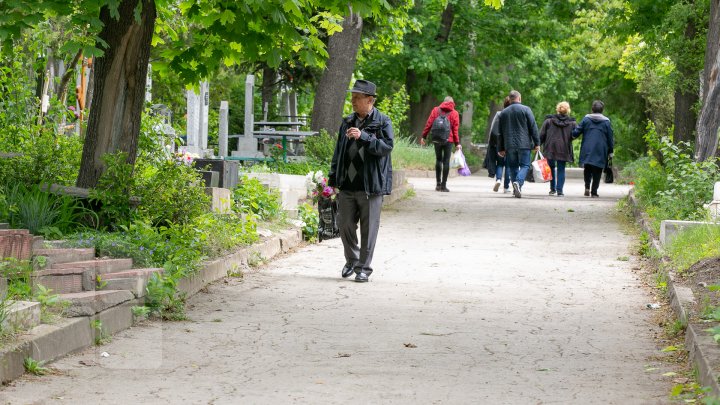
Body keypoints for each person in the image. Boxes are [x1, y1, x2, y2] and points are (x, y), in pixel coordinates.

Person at [328, 79, 394, 283]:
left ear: (370, 100)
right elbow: (338, 152)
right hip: (347, 184)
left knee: (369, 229)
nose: (353, 101)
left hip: (370, 186)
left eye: (357, 98)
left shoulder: (383, 122)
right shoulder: (347, 121)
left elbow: (386, 148)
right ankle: (352, 260)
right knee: (345, 224)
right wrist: (332, 179)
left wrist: (364, 137)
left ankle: (364, 268)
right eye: (353, 97)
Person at [497, 90, 540, 198]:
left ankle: (516, 188)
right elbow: (533, 127)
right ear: (519, 98)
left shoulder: (504, 113)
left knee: (512, 167)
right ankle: (518, 183)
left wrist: (501, 148)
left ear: (510, 99)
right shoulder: (526, 109)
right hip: (524, 144)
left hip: (509, 144)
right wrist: (537, 143)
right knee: (525, 165)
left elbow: (500, 132)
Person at [572, 100, 614, 198]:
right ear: (602, 110)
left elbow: (577, 131)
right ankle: (594, 192)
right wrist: (611, 150)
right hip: (601, 149)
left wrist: (572, 134)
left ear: (592, 109)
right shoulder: (606, 122)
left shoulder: (586, 119)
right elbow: (610, 137)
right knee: (598, 170)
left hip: (587, 148)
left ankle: (587, 187)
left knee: (588, 168)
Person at [420, 96, 461, 192]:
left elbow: (429, 123)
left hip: (437, 139)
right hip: (449, 140)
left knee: (438, 160)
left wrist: (424, 136)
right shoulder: (454, 113)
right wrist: (457, 143)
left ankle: (438, 184)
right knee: (446, 161)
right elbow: (455, 130)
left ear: (443, 102)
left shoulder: (435, 110)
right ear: (452, 103)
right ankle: (443, 186)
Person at [539, 101, 577, 197]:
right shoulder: (572, 123)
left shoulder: (548, 121)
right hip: (564, 148)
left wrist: (538, 144)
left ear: (558, 109)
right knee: (561, 169)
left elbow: (542, 134)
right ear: (568, 110)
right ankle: (560, 191)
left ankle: (552, 189)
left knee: (551, 168)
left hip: (550, 147)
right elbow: (574, 135)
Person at [485, 96, 513, 193]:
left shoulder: (499, 114)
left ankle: (498, 180)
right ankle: (506, 187)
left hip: (498, 142)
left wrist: (490, 141)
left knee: (500, 164)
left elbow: (493, 128)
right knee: (508, 165)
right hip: (509, 143)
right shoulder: (513, 115)